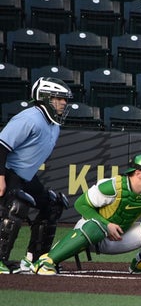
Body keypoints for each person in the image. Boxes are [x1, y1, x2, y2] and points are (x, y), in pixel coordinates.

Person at [0, 77, 73, 274]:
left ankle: (36, 258)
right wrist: (0, 179)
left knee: (52, 204)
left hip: (26, 176)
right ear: (45, 98)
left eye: (65, 99)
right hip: (8, 171)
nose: (64, 103)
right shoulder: (29, 118)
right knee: (17, 205)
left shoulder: (54, 125)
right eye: (59, 98)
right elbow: (1, 147)